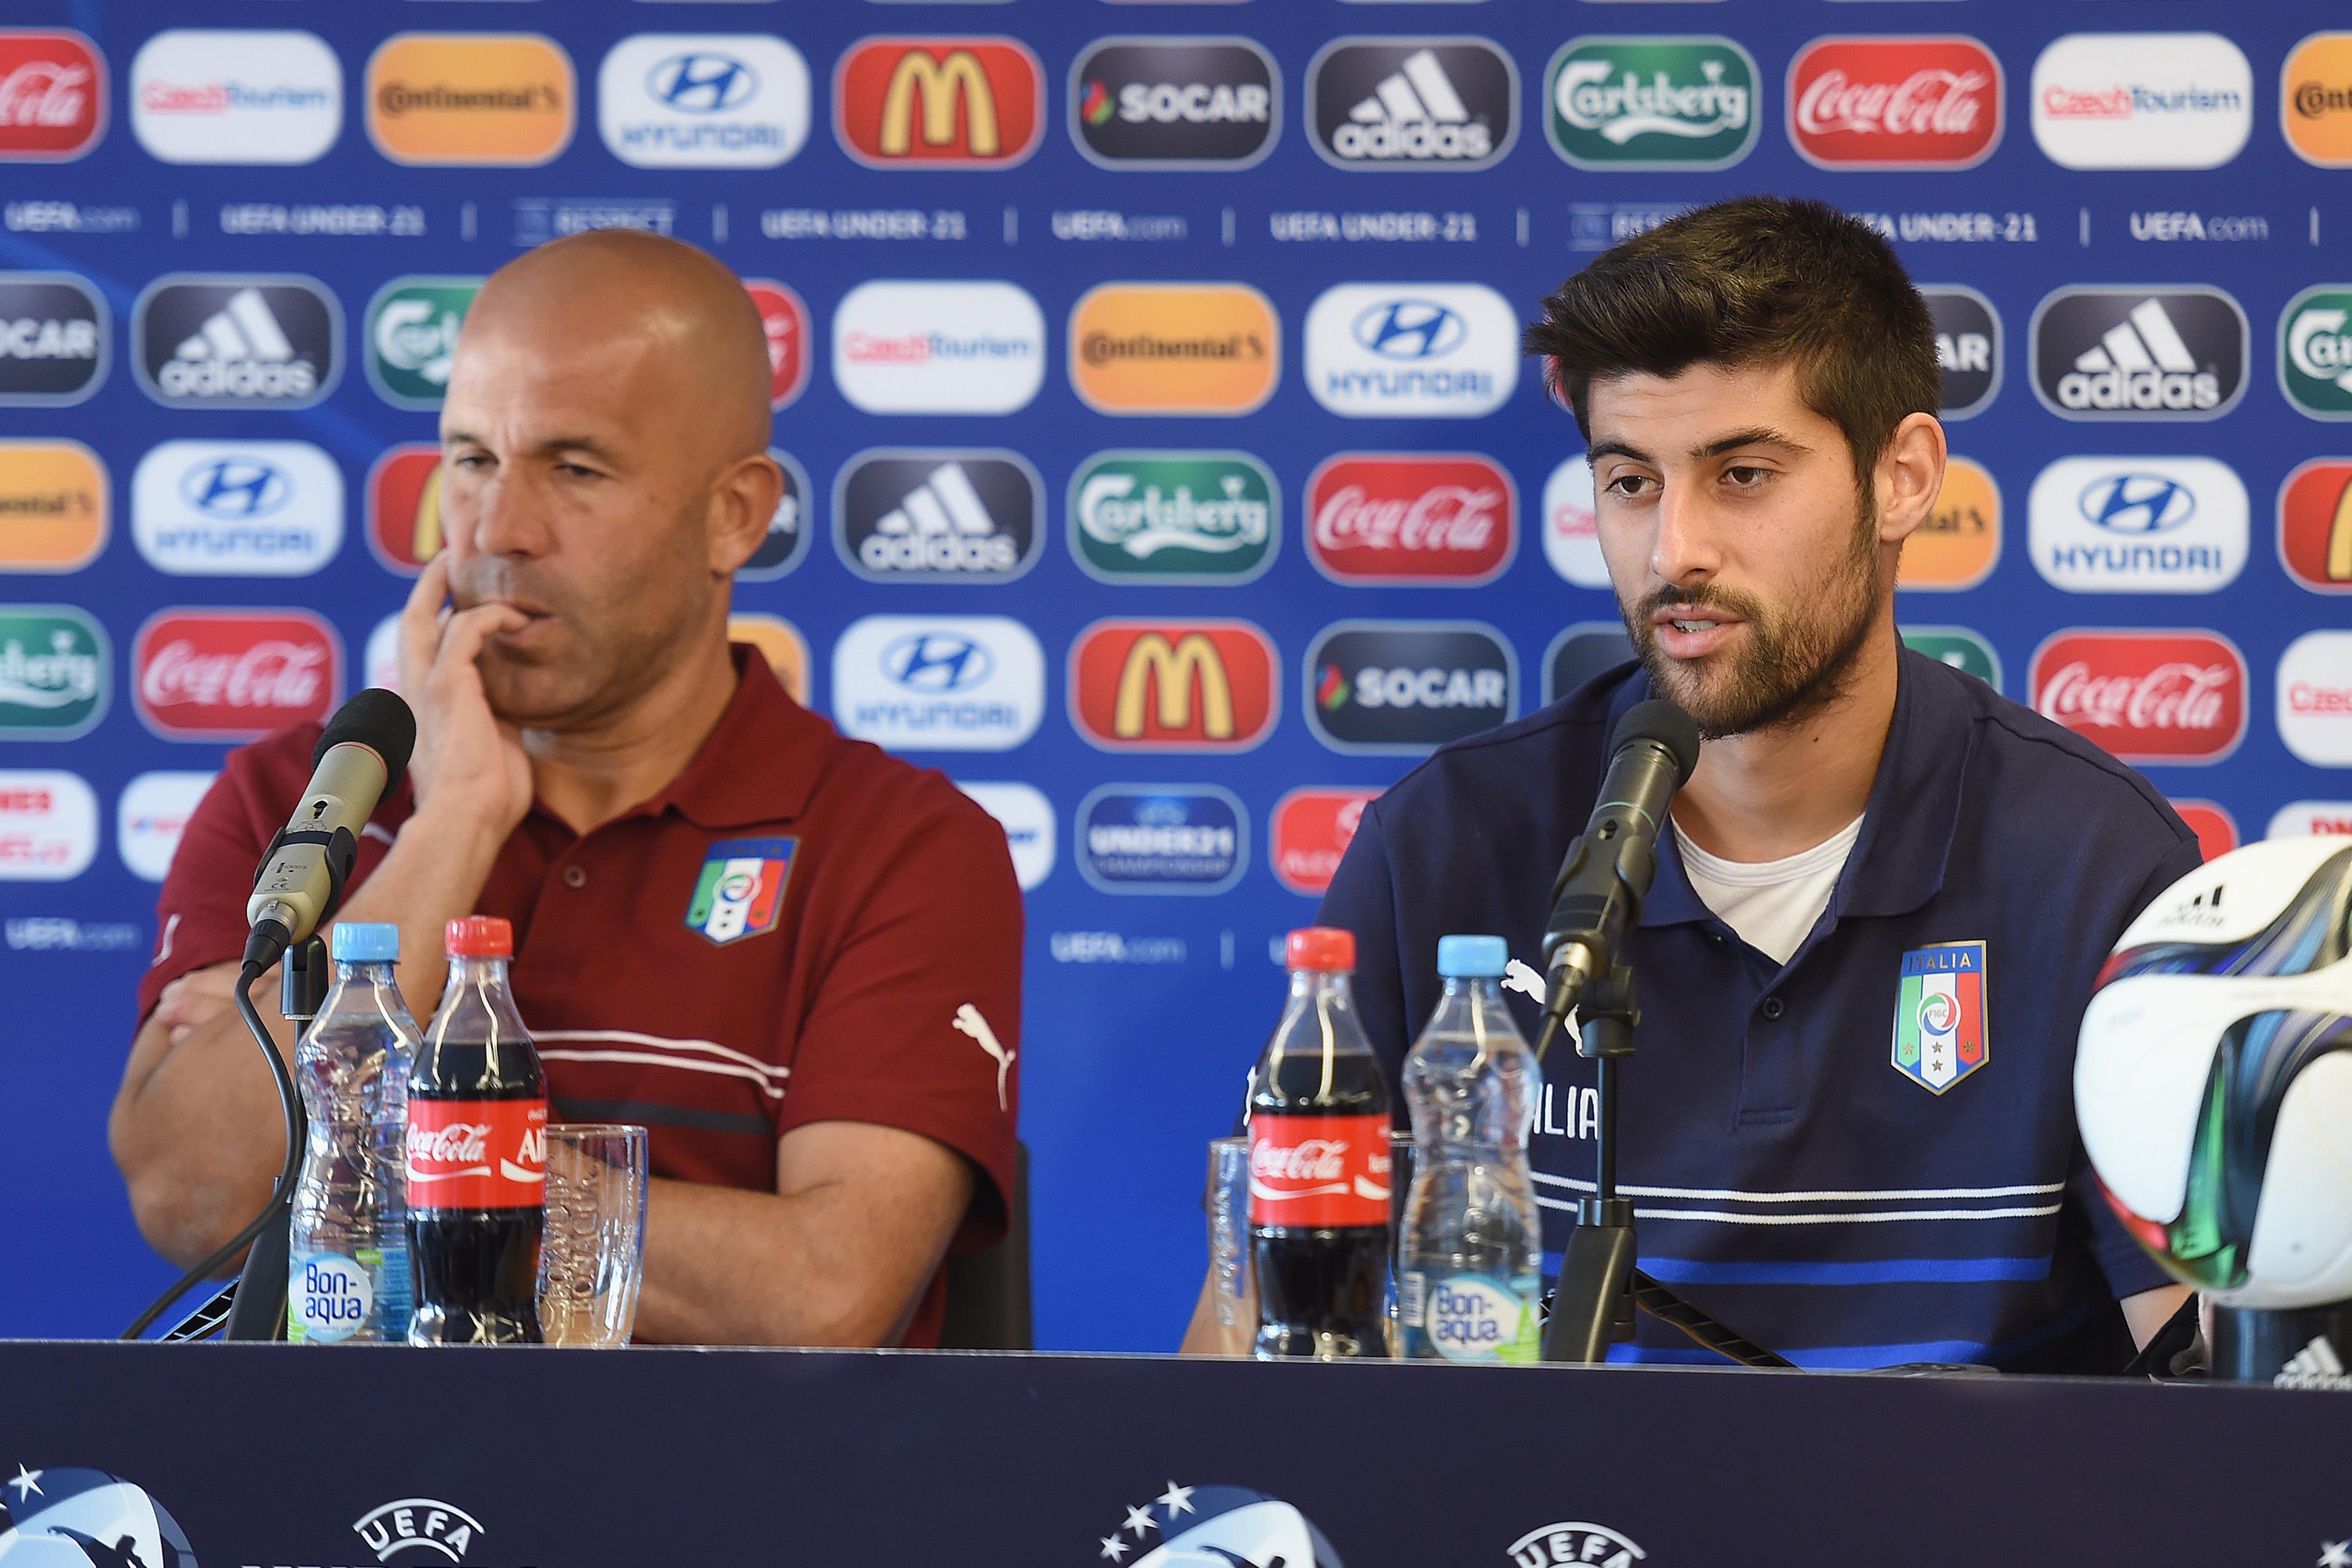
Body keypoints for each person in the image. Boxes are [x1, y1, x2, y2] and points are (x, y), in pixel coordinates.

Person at [1185, 196, 2196, 1371]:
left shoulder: (2096, 867)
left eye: (1745, 475)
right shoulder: (1446, 848)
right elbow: (1255, 1348)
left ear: (1905, 478)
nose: (1676, 553)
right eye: (1631, 483)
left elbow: (2203, 1403)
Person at [112, 230, 1023, 1349]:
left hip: (727, 1512)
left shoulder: (903, 846)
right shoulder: (306, 798)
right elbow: (192, 1192)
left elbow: (823, 1294)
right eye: (471, 460)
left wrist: (389, 1153)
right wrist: (450, 825)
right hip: (333, 1503)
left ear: (734, 514)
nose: (498, 532)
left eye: (575, 469)